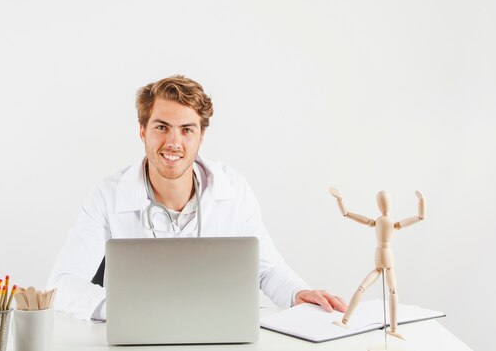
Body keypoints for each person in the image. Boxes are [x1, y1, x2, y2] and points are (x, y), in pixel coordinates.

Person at [47, 75, 347, 321]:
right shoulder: (108, 195)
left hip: (217, 334)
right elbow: (61, 284)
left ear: (201, 136)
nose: (173, 142)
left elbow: (267, 269)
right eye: (161, 127)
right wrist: (126, 310)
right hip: (137, 336)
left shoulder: (233, 188)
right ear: (142, 131)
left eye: (186, 129)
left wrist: (298, 292)